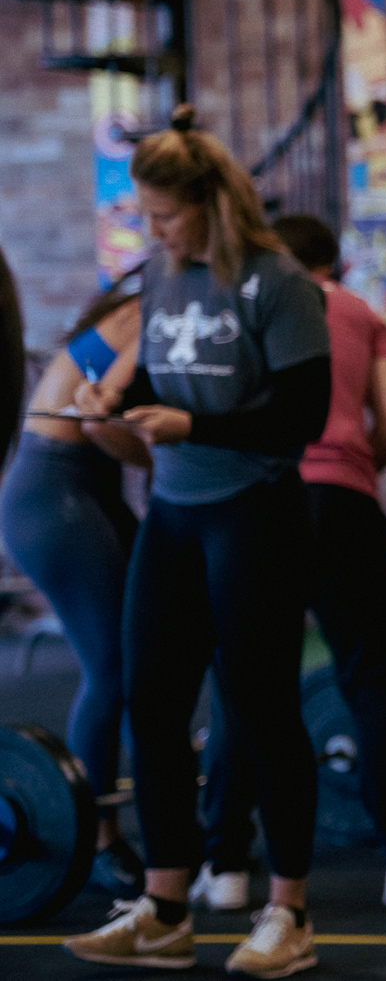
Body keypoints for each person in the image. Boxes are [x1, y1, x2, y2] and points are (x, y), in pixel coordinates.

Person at [64, 113, 330, 978]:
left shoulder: (279, 284)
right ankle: (166, 907)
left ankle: (287, 910)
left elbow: (303, 417)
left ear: (212, 206)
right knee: (150, 701)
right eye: (146, 215)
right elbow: (152, 373)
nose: (153, 231)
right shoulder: (165, 277)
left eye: (166, 216)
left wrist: (193, 421)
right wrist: (116, 402)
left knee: (260, 709)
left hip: (254, 512)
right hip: (175, 517)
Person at [193, 215, 386, 917]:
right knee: (372, 685)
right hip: (344, 510)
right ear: (336, 267)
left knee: (244, 689)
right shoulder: (360, 313)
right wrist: (351, 476)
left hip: (258, 506)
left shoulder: (244, 304)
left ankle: (225, 869)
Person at [0, 275, 150, 895]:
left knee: (168, 644)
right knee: (112, 667)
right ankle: (97, 838)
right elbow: (97, 420)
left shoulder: (139, 310)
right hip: (53, 493)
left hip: (88, 488)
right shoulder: (148, 311)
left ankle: (207, 811)